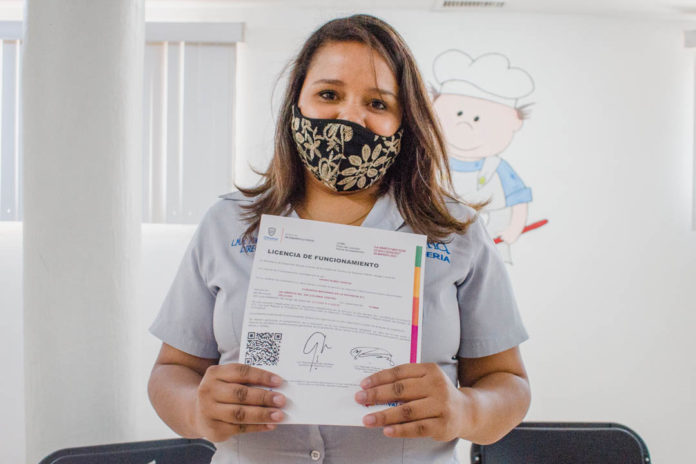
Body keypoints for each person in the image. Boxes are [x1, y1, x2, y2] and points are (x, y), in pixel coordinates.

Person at [148, 14, 530, 464]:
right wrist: (195, 410)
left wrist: (465, 410)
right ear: (296, 104)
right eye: (329, 94)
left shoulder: (456, 232)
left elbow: (509, 385)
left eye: (378, 103)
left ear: (404, 122)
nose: (350, 116)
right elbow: (172, 371)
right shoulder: (227, 224)